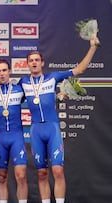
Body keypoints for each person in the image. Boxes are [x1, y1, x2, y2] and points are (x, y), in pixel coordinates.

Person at [17, 36, 100, 203]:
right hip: (36, 131)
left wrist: (93, 47)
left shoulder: (53, 77)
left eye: (37, 60)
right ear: (27, 64)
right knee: (41, 173)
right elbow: (8, 95)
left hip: (52, 128)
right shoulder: (23, 82)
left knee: (58, 171)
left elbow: (79, 70)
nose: (34, 63)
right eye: (31, 60)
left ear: (42, 63)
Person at [0, 59, 28, 203]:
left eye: (4, 70)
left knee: (21, 175)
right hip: (0, 137)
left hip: (16, 136)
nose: (2, 74)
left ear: (9, 71)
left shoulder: (19, 89)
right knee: (1, 176)